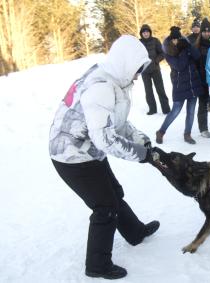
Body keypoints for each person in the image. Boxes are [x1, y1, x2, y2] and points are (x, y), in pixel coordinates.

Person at [49, 35, 160, 279]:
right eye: (137, 69)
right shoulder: (100, 87)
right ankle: (97, 265)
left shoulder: (115, 81)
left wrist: (141, 140)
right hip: (71, 156)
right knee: (105, 206)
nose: (138, 75)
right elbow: (106, 139)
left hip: (88, 149)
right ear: (125, 63)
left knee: (113, 193)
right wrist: (143, 155)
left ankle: (135, 232)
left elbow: (114, 122)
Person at [156, 26, 203, 144]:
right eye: (174, 39)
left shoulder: (185, 45)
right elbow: (179, 66)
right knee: (175, 110)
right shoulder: (168, 51)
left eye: (178, 38)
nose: (176, 41)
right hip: (180, 85)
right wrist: (184, 51)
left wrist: (188, 46)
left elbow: (197, 56)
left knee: (191, 111)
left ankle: (187, 134)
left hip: (193, 82)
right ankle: (161, 131)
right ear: (170, 40)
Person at [195, 18, 210, 138]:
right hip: (202, 79)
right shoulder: (197, 46)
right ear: (201, 32)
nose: (207, 33)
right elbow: (194, 64)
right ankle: (203, 128)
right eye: (204, 31)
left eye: (209, 31)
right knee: (202, 104)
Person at [139, 24, 171, 115]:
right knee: (148, 91)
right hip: (144, 71)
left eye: (147, 32)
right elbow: (135, 56)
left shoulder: (155, 41)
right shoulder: (139, 43)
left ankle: (166, 109)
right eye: (144, 32)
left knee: (160, 89)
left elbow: (162, 53)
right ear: (141, 33)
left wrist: (156, 61)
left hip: (155, 69)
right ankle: (152, 109)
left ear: (150, 32)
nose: (146, 34)